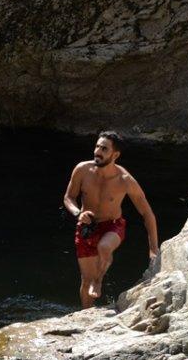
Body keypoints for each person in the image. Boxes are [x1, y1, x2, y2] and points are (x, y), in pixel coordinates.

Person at [62, 131, 159, 307]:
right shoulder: (82, 170)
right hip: (86, 226)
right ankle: (85, 314)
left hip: (112, 226)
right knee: (85, 281)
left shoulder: (125, 180)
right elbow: (68, 198)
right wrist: (78, 213)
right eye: (97, 146)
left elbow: (147, 213)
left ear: (115, 155)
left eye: (104, 149)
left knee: (104, 247)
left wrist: (153, 247)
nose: (97, 152)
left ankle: (98, 280)